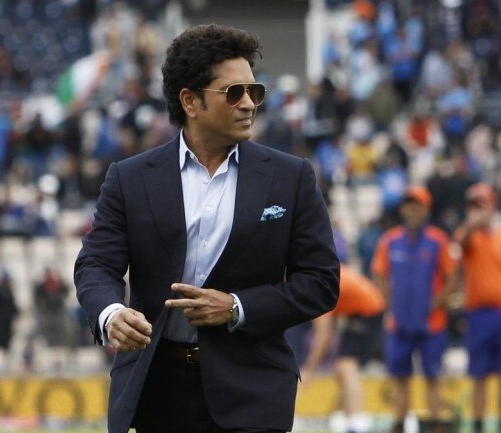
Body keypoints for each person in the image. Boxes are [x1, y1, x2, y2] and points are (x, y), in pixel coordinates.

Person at [74, 24, 340, 433]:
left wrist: (236, 307)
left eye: (255, 91)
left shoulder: (292, 178)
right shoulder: (130, 178)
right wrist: (112, 314)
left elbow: (321, 282)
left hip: (253, 391)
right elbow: (95, 264)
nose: (249, 104)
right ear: (190, 101)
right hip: (158, 392)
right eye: (234, 93)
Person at [371, 186, 458, 433]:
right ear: (402, 210)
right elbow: (379, 273)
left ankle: (435, 424)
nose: (413, 211)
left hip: (432, 323)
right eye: (409, 205)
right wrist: (389, 303)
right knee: (400, 377)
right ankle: (399, 424)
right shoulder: (390, 240)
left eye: (418, 206)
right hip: (399, 323)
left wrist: (435, 303)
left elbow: (452, 277)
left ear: (426, 210)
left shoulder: (438, 240)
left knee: (433, 376)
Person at [453, 183, 501, 433]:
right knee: (479, 376)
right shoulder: (468, 235)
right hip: (478, 314)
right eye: (473, 206)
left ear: (493, 207)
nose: (478, 211)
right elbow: (461, 245)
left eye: (482, 205)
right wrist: (472, 224)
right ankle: (478, 425)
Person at [300, 264, 385, 433]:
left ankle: (357, 421)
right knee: (341, 367)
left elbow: (323, 334)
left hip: (369, 311)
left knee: (347, 365)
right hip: (359, 311)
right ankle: (349, 416)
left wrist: (309, 369)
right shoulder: (322, 274)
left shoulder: (319, 287)